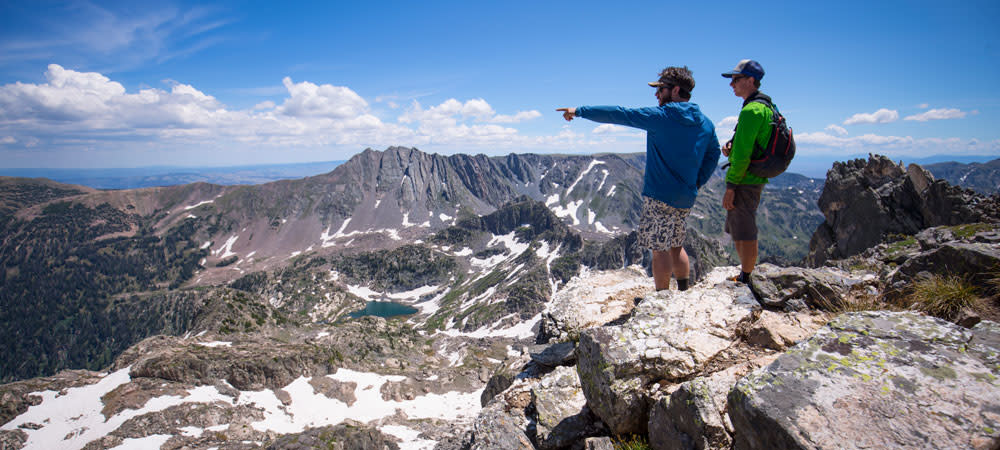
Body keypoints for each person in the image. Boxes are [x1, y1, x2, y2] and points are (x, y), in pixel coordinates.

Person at [557, 66, 720, 291]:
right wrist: (697, 181)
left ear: (675, 91)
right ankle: (683, 290)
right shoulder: (706, 123)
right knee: (676, 244)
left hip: (660, 196)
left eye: (661, 89)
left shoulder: (661, 117)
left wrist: (579, 111)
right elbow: (714, 154)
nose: (656, 94)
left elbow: (619, 113)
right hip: (686, 196)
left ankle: (661, 298)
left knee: (659, 249)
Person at [720, 59, 770, 288]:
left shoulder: (752, 110)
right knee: (739, 227)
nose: (731, 84)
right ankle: (745, 274)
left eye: (736, 79)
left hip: (745, 180)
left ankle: (747, 278)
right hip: (751, 177)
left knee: (744, 228)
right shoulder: (764, 106)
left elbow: (742, 157)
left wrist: (730, 187)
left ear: (751, 80)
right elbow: (747, 146)